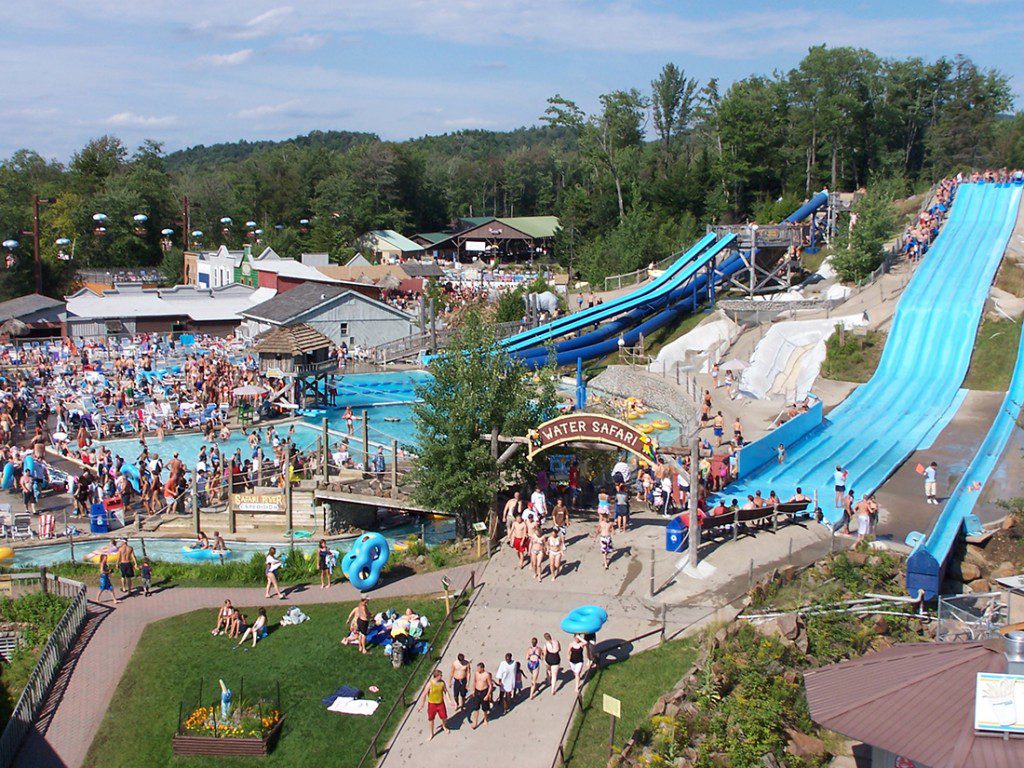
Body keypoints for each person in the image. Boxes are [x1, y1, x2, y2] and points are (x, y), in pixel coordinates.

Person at [417, 669, 451, 739]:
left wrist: (449, 700)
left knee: (444, 717)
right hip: (432, 704)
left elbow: (446, 691)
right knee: (431, 719)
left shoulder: (442, 683)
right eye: (441, 675)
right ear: (437, 676)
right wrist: (422, 705)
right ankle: (431, 733)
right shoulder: (430, 684)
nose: (442, 676)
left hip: (440, 703)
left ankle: (444, 726)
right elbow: (424, 694)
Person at [469, 662, 493, 729]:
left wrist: (487, 695)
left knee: (485, 708)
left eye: (479, 668)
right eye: (477, 668)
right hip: (477, 691)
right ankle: (475, 722)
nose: (478, 670)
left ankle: (485, 719)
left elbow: (490, 685)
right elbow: (475, 681)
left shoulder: (486, 675)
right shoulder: (476, 673)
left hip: (484, 692)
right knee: (476, 708)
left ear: (482, 668)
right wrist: (473, 690)